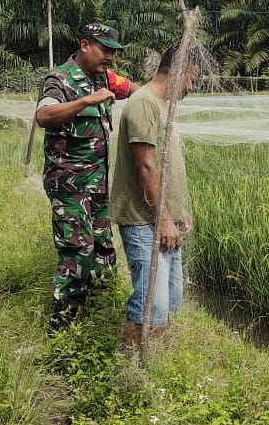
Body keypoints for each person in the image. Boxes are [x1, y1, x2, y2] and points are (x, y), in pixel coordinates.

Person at [35, 23, 137, 330]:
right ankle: (62, 329)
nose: (109, 57)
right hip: (69, 185)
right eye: (104, 50)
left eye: (113, 52)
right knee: (78, 253)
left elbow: (135, 89)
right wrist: (85, 102)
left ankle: (98, 318)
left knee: (104, 250)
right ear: (84, 45)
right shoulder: (59, 79)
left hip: (98, 185)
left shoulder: (104, 77)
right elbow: (43, 116)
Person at [109, 45, 201, 350]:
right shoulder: (144, 104)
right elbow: (145, 166)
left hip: (161, 217)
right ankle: (132, 366)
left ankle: (158, 360)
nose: (190, 88)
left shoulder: (162, 107)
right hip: (143, 221)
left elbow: (162, 165)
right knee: (152, 301)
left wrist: (177, 210)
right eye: (191, 80)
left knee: (169, 301)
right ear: (177, 72)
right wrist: (163, 218)